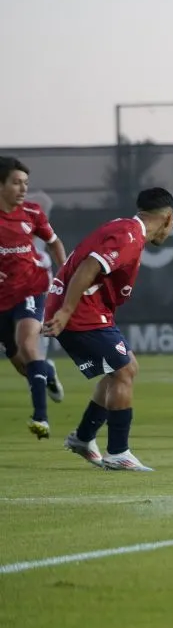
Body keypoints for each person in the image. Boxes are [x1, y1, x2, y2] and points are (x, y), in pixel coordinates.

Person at [42, 187, 173, 471]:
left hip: (88, 309)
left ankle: (83, 437)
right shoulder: (129, 236)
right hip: (80, 311)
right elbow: (89, 267)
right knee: (123, 370)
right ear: (168, 219)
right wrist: (66, 312)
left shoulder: (125, 229)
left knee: (123, 369)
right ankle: (118, 452)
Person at [0, 156, 67, 439]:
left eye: (26, 183)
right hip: (2, 298)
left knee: (29, 345)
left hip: (32, 287)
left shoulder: (33, 212)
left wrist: (63, 276)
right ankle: (47, 373)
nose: (23, 188)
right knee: (22, 364)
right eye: (16, 183)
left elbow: (53, 242)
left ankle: (41, 418)